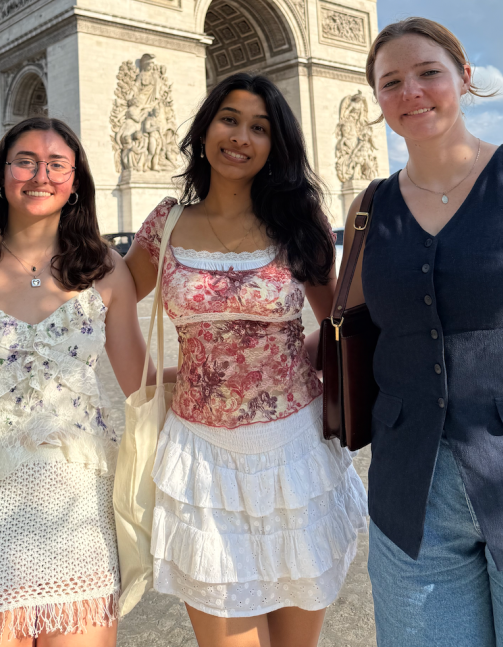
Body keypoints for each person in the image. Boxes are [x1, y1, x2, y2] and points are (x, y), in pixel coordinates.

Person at [124, 72, 367, 647]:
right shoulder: (166, 223)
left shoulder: (297, 221)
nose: (240, 137)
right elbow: (104, 301)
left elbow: (337, 323)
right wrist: (147, 380)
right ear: (205, 126)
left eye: (260, 127)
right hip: (200, 461)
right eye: (229, 118)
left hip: (295, 458)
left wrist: (294, 354)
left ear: (275, 145)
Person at [0, 117, 154, 647]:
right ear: (1, 174)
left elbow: (143, 385)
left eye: (56, 164)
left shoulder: (106, 269)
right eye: (25, 161)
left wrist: (236, 375)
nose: (40, 175)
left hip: (78, 514)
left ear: (75, 182)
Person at [338, 17, 503, 646]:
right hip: (411, 493)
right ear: (377, 101)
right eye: (391, 82)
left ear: (463, 76)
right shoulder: (368, 209)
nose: (411, 92)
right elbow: (344, 327)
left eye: (428, 72)